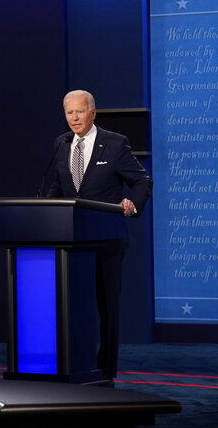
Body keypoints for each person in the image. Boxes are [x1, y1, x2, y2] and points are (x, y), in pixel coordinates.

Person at [44, 89, 153, 379]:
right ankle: (73, 363)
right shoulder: (61, 143)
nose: (74, 118)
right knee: (70, 307)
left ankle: (105, 369)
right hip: (70, 242)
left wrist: (132, 205)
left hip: (107, 240)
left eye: (80, 111)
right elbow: (56, 189)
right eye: (69, 112)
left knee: (107, 308)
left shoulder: (115, 144)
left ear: (93, 112)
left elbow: (142, 182)